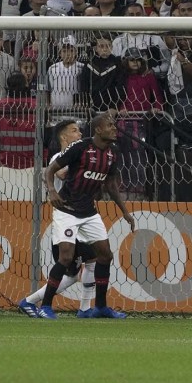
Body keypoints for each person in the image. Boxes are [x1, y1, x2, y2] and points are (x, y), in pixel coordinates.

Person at [38, 113, 135, 319]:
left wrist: (125, 211)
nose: (114, 128)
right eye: (109, 125)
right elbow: (51, 170)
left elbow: (110, 185)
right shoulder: (81, 148)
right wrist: (51, 191)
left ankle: (99, 307)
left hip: (89, 212)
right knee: (65, 257)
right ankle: (45, 307)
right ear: (98, 129)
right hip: (67, 209)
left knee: (105, 255)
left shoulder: (112, 153)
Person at [18, 120, 98, 319]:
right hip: (66, 219)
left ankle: (85, 308)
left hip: (81, 217)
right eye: (74, 130)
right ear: (64, 137)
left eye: (79, 130)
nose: (79, 133)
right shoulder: (58, 157)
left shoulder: (78, 156)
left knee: (87, 262)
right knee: (71, 269)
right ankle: (31, 301)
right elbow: (62, 174)